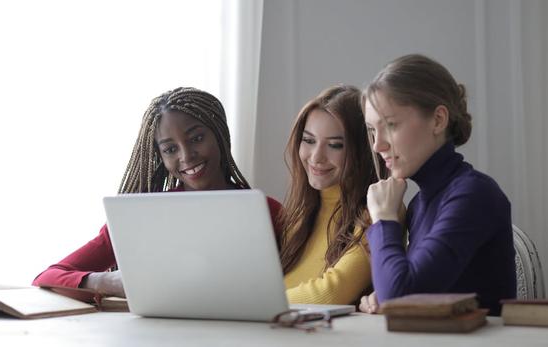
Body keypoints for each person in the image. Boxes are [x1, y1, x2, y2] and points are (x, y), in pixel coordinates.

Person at [32, 87, 282, 297]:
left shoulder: (268, 212)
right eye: (170, 149)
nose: (186, 156)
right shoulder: (139, 216)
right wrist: (109, 283)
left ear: (219, 134)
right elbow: (47, 278)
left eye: (196, 139)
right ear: (160, 157)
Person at [359, 54, 516, 316]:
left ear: (438, 120)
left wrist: (384, 218)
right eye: (372, 130)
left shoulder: (474, 195)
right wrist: (383, 292)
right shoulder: (419, 204)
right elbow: (406, 290)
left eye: (390, 125)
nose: (378, 145)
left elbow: (400, 297)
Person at [278, 85, 384, 305]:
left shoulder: (378, 209)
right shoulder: (298, 213)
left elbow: (331, 293)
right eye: (308, 140)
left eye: (335, 145)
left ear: (362, 152)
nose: (316, 157)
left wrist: (254, 303)